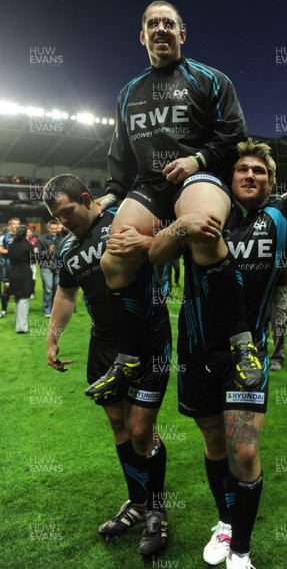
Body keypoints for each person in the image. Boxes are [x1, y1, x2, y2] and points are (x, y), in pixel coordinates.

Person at [148, 84, 287, 569]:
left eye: (260, 170)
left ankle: (241, 551)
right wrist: (181, 227)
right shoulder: (203, 208)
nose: (251, 174)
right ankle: (225, 520)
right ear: (228, 176)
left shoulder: (281, 215)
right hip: (197, 353)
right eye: (243, 168)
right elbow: (155, 253)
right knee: (215, 445)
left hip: (249, 355)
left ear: (270, 180)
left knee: (245, 450)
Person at [91, 0, 262, 401]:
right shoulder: (128, 93)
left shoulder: (210, 79)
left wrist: (197, 159)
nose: (161, 29)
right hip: (151, 185)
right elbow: (120, 156)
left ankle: (242, 345)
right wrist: (112, 193)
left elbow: (236, 136)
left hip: (199, 175)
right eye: (153, 23)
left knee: (202, 229)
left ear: (182, 34)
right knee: (112, 258)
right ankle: (129, 358)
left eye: (169, 23)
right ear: (142, 36)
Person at [43, 174, 172, 560]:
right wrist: (52, 337)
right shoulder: (67, 248)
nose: (64, 221)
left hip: (147, 335)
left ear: (87, 198)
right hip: (104, 345)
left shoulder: (122, 216)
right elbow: (66, 292)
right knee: (118, 425)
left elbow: (165, 244)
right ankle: (136, 503)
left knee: (139, 427)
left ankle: (157, 510)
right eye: (57, 216)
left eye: (67, 211)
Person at [8, 225, 35, 333]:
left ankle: (17, 322)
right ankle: (22, 327)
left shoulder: (11, 245)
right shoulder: (28, 245)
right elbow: (32, 260)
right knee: (24, 299)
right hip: (25, 273)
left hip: (13, 272)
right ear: (25, 233)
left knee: (17, 298)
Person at [36, 219, 62, 316]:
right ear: (48, 228)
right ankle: (46, 309)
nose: (54, 231)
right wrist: (48, 251)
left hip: (58, 266)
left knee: (57, 288)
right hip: (46, 266)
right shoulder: (41, 239)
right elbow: (37, 255)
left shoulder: (61, 238)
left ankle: (54, 308)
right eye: (52, 229)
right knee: (47, 289)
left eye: (55, 229)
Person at [269, 263, 287, 371]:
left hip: (279, 283)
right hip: (255, 282)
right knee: (253, 321)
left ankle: (277, 357)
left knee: (279, 322)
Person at [0, 217, 21, 318]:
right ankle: (4, 310)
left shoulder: (21, 237)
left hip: (19, 266)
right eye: (14, 224)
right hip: (7, 266)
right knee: (6, 288)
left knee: (18, 288)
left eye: (18, 224)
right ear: (10, 225)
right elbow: (1, 250)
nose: (16, 226)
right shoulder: (4, 237)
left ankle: (18, 310)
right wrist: (14, 252)